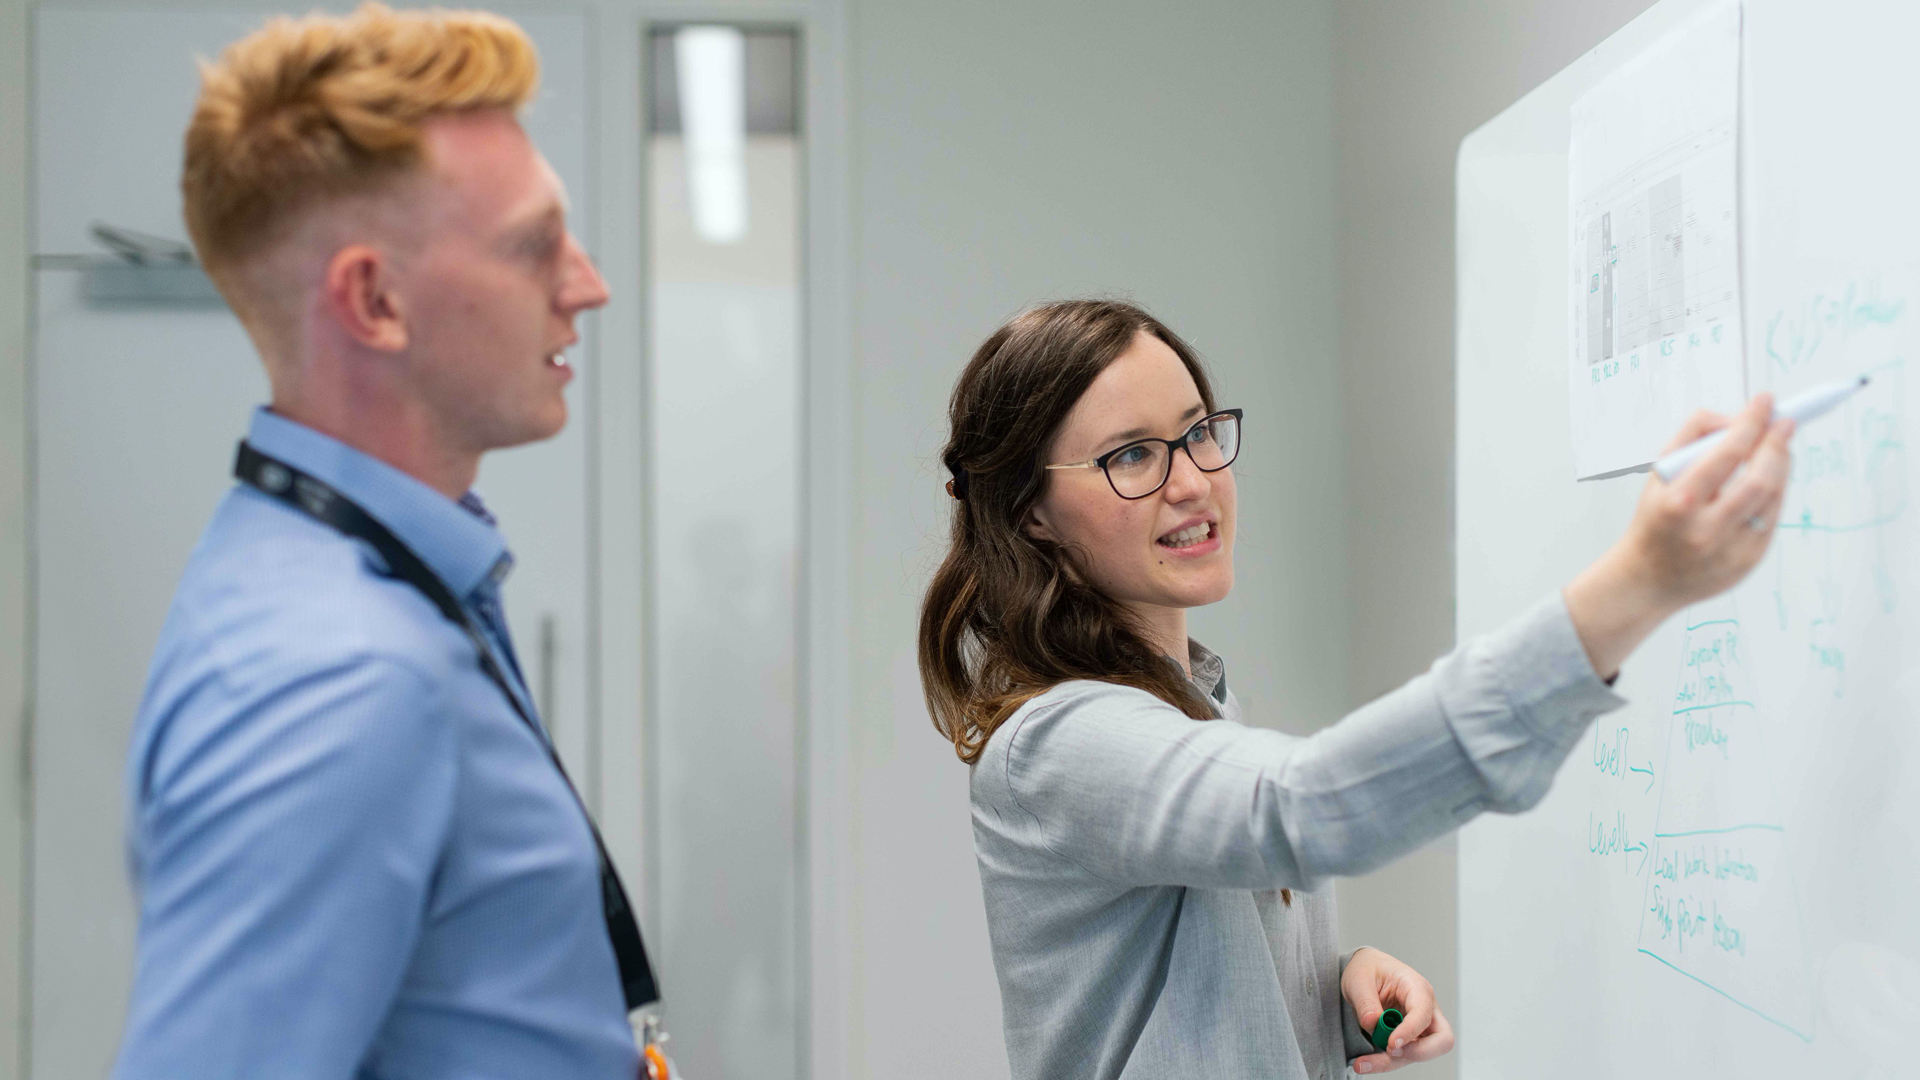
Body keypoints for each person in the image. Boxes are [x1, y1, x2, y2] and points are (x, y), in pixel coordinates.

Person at [917, 300, 1792, 1080]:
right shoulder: (1056, 743)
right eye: (1132, 455)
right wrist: (1637, 583)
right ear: (1032, 512)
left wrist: (1324, 986)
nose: (1192, 480)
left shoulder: (1191, 699)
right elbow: (1297, 811)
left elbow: (1184, 999)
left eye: (1197, 432)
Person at [114, 7, 657, 1077]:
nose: (586, 283)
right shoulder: (335, 678)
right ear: (373, 299)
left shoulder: (364, 579)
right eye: (535, 242)